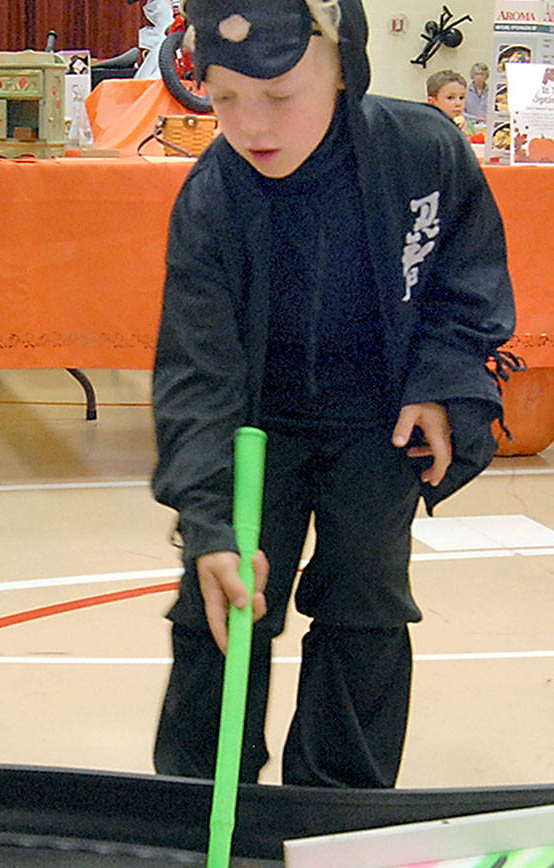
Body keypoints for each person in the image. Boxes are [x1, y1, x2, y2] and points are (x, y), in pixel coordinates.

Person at [150, 0, 514, 789]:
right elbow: (196, 373)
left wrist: (441, 384)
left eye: (279, 96)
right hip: (254, 431)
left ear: (346, 67)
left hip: (380, 425)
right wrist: (210, 523)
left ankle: (341, 806)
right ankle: (197, 799)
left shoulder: (424, 152)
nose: (252, 124)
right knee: (222, 610)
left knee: (365, 605)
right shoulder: (211, 197)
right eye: (224, 98)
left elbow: (466, 279)